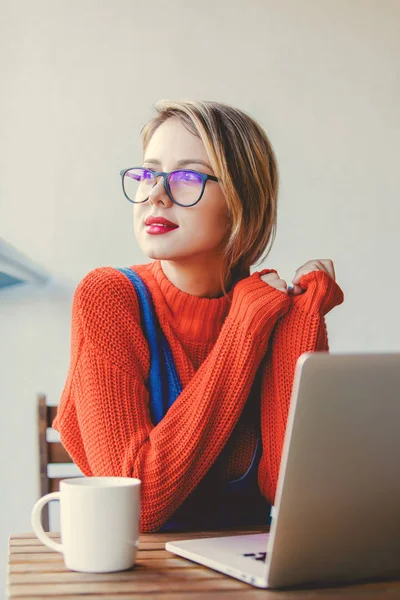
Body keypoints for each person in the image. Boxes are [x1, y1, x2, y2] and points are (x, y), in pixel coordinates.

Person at [52, 99, 344, 533]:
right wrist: (243, 330)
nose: (156, 194)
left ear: (242, 202)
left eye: (187, 177)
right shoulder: (110, 297)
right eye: (149, 173)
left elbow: (287, 496)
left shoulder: (269, 308)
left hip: (248, 578)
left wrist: (301, 320)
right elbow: (138, 505)